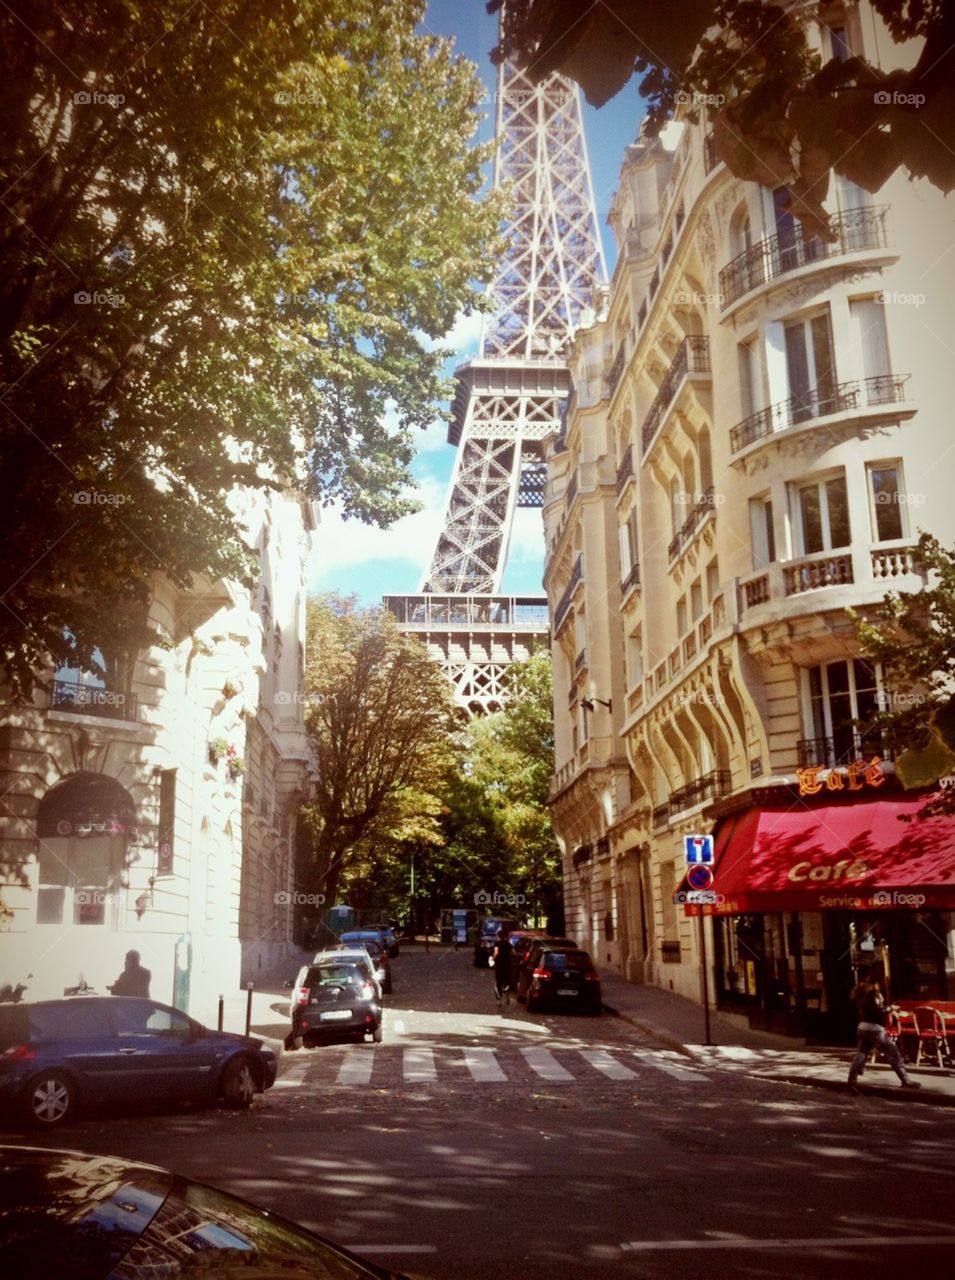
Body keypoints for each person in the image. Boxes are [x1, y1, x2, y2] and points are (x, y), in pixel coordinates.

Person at [847, 966, 920, 1094]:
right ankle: (905, 1080)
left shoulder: (861, 992)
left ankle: (851, 1082)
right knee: (893, 1053)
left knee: (862, 1054)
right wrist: (890, 1008)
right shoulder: (872, 994)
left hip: (863, 1027)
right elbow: (876, 1011)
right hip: (875, 1029)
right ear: (877, 982)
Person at [491, 928, 512, 1008]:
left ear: (498, 936)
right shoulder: (508, 944)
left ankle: (499, 1000)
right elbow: (513, 952)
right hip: (507, 965)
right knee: (507, 981)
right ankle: (507, 995)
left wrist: (493, 958)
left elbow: (496, 952)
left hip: (499, 965)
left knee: (498, 982)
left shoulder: (497, 944)